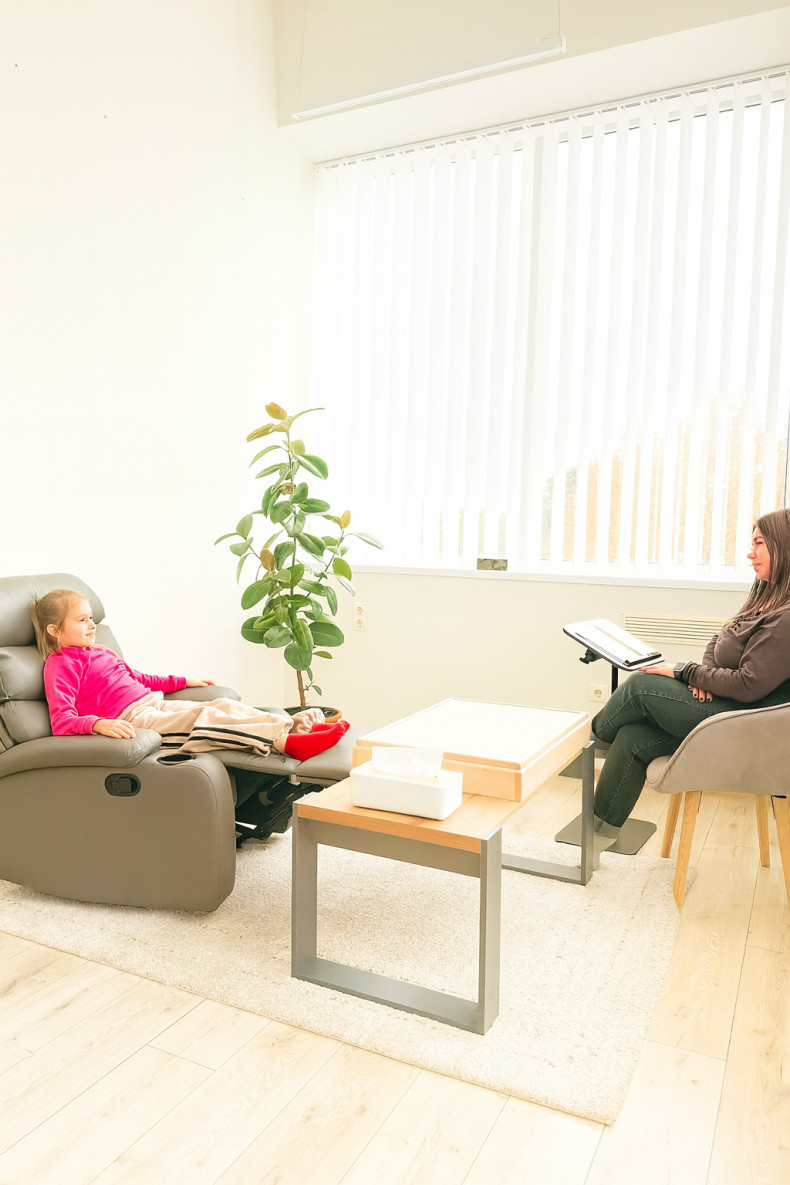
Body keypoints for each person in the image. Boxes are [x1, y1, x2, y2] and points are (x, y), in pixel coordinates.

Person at [587, 508, 790, 849]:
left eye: (759, 543)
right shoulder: (766, 599)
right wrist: (702, 678)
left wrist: (684, 672)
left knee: (639, 686)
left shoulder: (786, 618)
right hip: (724, 708)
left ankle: (585, 744)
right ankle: (597, 837)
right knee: (633, 736)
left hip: (740, 722)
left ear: (783, 546)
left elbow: (748, 685)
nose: (749, 553)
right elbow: (718, 641)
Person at [31, 589, 349, 762]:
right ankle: (285, 743)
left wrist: (183, 682)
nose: (92, 625)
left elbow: (139, 678)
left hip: (153, 704)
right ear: (55, 630)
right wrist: (98, 723)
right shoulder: (60, 663)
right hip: (133, 721)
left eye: (91, 618)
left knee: (222, 705)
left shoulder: (100, 650)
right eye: (81, 620)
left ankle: (292, 725)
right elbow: (61, 721)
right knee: (204, 718)